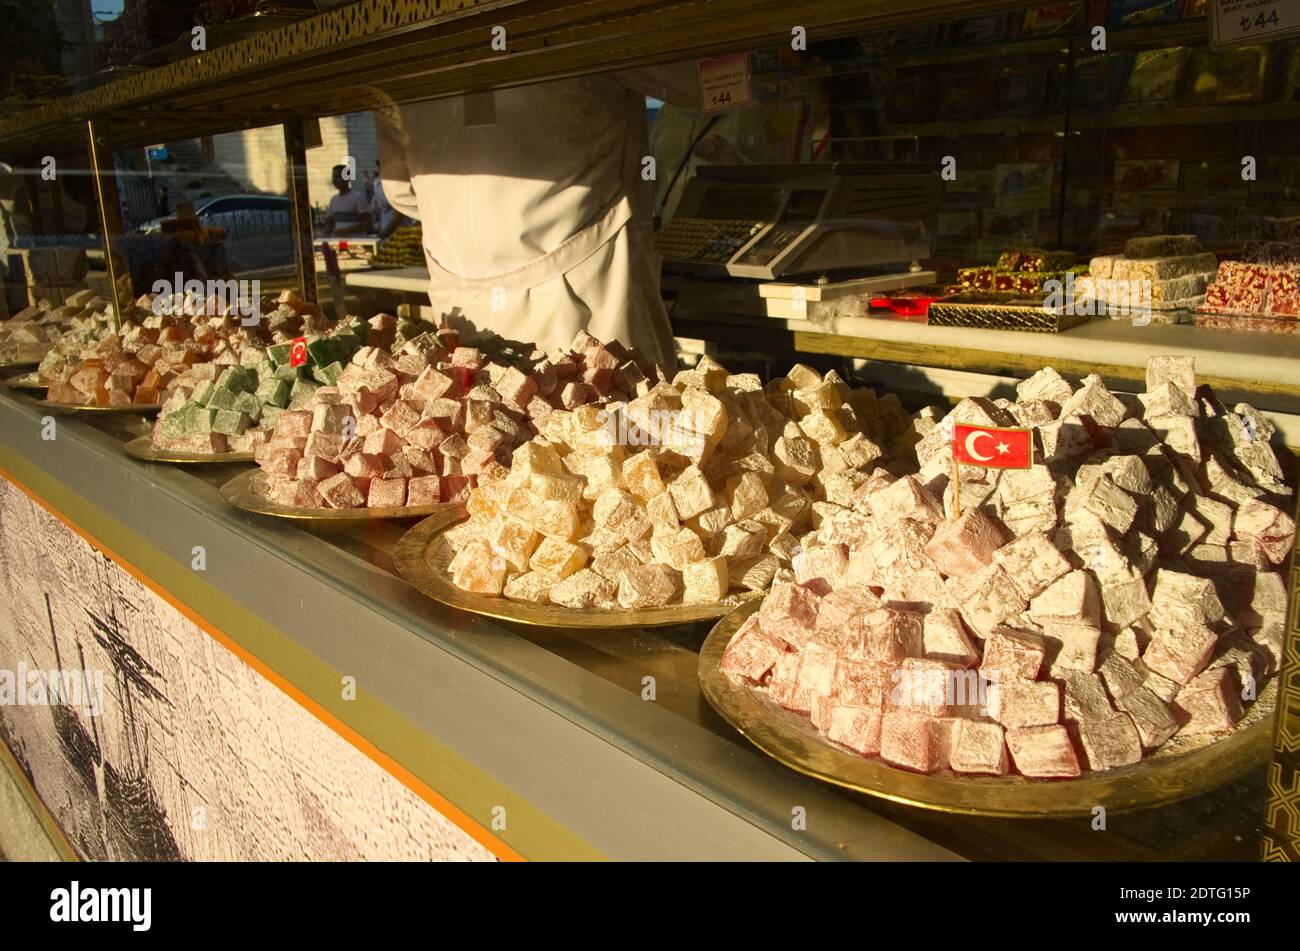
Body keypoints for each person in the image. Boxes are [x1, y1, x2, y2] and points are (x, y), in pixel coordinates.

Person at [375, 67, 696, 369]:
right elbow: (699, 78)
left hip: (461, 304)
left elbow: (400, 190)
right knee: (614, 416)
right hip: (585, 297)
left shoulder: (400, 38)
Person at [326, 165, 373, 236]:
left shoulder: (357, 198)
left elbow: (368, 223)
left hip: (357, 244)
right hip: (339, 244)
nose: (334, 180)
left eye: (338, 176)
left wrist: (347, 230)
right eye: (333, 177)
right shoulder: (334, 200)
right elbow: (330, 223)